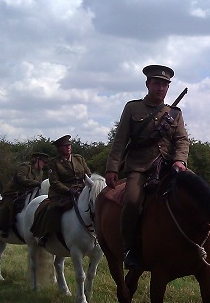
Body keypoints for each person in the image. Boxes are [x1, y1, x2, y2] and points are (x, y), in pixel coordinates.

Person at [105, 64, 189, 269]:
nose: (161, 88)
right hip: (140, 166)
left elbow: (182, 140)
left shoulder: (174, 113)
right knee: (132, 201)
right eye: (157, 83)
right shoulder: (133, 108)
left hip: (170, 165)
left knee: (198, 192)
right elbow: (120, 140)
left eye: (165, 85)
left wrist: (180, 160)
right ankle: (130, 248)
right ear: (148, 84)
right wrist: (112, 168)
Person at [31, 135, 91, 247]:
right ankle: (46, 234)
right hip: (61, 193)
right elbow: (54, 182)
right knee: (53, 209)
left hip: (81, 191)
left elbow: (88, 175)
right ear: (59, 148)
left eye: (69, 145)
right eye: (65, 146)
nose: (68, 147)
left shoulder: (79, 159)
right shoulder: (54, 163)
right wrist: (68, 190)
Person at [0, 151, 49, 237]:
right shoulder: (25, 167)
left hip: (28, 192)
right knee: (8, 206)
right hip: (14, 192)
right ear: (37, 160)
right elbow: (21, 179)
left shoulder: (40, 171)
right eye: (43, 162)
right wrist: (38, 184)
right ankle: (5, 228)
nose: (44, 164)